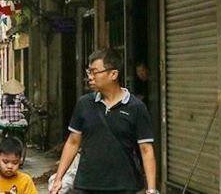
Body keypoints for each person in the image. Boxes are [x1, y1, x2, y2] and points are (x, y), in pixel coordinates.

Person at [50, 49, 157, 194]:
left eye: (95, 72)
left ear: (113, 74)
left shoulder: (136, 107)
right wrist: (59, 178)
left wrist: (151, 189)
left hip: (124, 186)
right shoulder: (84, 103)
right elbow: (73, 142)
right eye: (89, 72)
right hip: (86, 185)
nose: (90, 77)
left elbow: (146, 149)